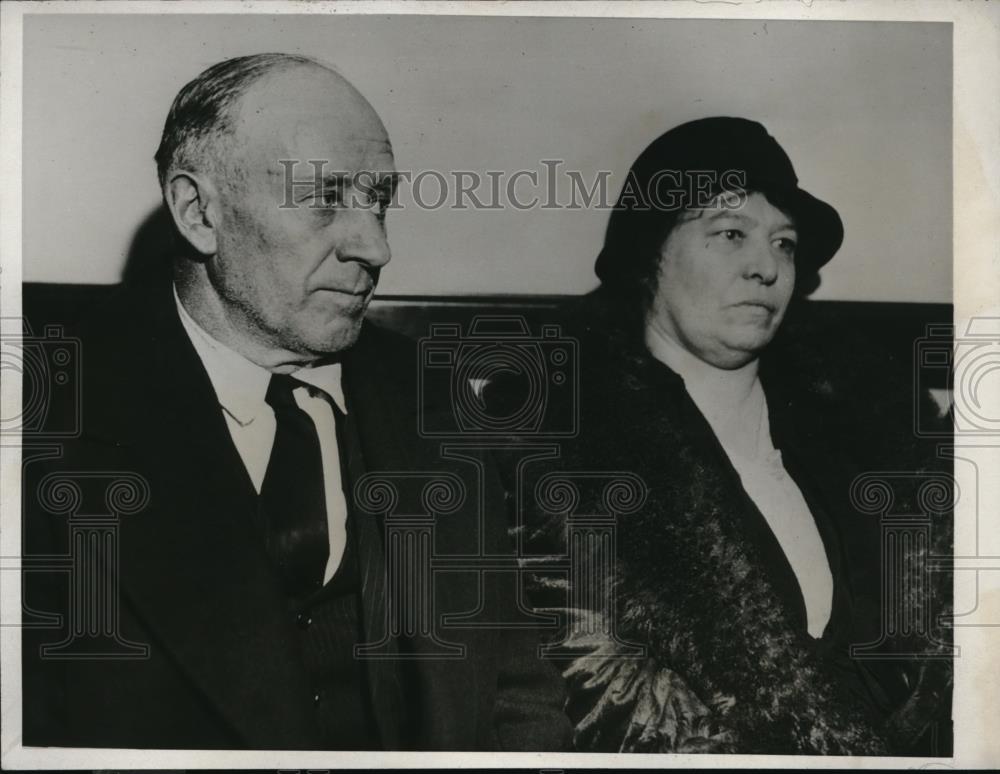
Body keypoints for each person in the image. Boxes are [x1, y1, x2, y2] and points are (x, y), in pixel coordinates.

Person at [21, 53, 571, 751]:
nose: (376, 247)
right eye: (325, 199)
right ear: (198, 212)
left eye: (378, 201)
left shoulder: (431, 397)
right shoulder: (48, 418)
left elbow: (514, 690)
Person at [513, 117, 952, 755]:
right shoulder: (561, 453)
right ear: (651, 254)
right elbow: (599, 692)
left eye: (784, 244)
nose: (766, 267)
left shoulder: (864, 435)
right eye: (730, 233)